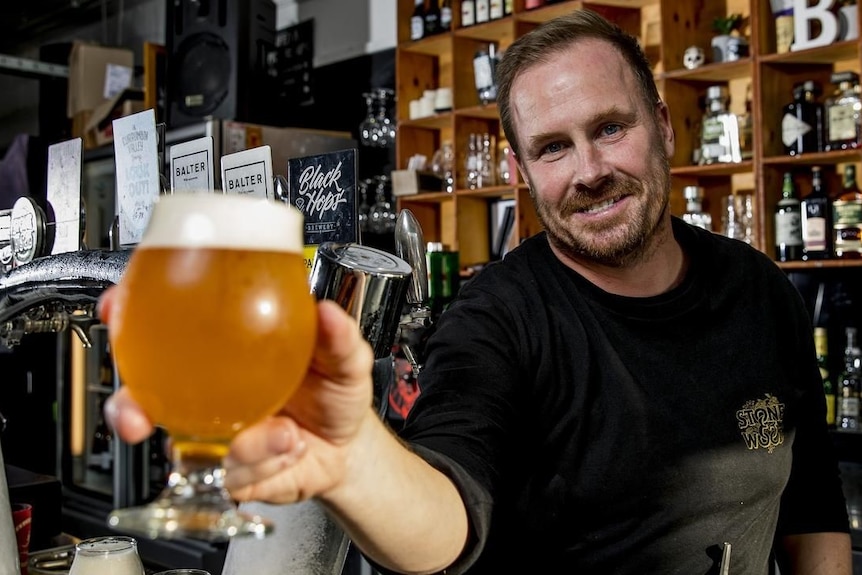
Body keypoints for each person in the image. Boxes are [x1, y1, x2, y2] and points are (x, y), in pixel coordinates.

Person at [103, 9, 852, 574]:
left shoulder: (759, 289)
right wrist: (353, 460)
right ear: (524, 172)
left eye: (611, 128)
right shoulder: (498, 318)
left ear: (663, 126)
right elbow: (448, 511)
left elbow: (812, 508)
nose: (588, 169)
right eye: (553, 147)